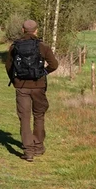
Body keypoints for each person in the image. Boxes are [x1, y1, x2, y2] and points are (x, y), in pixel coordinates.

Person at [5, 19, 60, 162]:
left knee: (24, 118)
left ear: (23, 30)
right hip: (39, 86)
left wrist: (15, 79)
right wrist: (44, 73)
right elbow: (54, 64)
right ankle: (38, 146)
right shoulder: (43, 46)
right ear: (36, 30)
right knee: (39, 115)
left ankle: (28, 151)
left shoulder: (15, 46)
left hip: (22, 87)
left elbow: (9, 66)